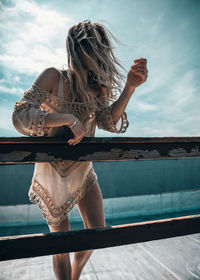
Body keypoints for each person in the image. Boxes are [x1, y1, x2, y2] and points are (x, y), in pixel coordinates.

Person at [12, 20, 148, 280]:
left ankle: (75, 276)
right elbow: (19, 116)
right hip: (50, 173)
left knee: (96, 231)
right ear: (78, 48)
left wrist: (130, 87)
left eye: (101, 48)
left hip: (82, 170)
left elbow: (108, 121)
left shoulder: (99, 89)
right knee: (61, 247)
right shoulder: (53, 76)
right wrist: (67, 119)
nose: (99, 54)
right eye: (92, 47)